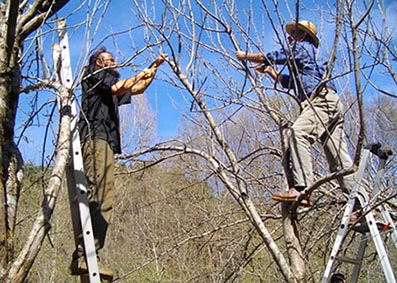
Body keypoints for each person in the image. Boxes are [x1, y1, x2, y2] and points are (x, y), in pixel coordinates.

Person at [235, 20, 355, 208]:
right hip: (329, 103)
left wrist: (246, 56)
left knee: (297, 133)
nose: (290, 39)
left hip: (321, 102)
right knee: (339, 163)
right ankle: (362, 207)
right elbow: (290, 82)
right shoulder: (307, 65)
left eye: (293, 35)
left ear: (303, 35)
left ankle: (303, 189)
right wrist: (270, 72)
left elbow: (275, 56)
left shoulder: (303, 48)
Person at [70, 47, 165, 279]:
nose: (114, 63)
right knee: (102, 195)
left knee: (104, 196)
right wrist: (141, 73)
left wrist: (152, 69)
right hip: (95, 137)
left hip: (104, 141)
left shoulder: (109, 83)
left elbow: (136, 89)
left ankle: (88, 254)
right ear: (99, 63)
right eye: (109, 60)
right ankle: (85, 254)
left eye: (114, 59)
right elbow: (118, 87)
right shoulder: (94, 74)